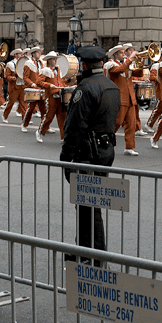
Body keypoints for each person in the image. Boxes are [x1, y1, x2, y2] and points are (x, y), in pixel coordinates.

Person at [59, 46, 120, 266]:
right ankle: (84, 250)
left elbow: (75, 127)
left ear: (84, 65)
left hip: (87, 153)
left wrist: (66, 157)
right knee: (91, 204)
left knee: (88, 206)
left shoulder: (84, 89)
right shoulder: (112, 86)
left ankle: (95, 255)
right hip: (106, 151)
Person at [104, 44, 140, 155]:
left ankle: (129, 147)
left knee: (131, 124)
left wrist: (140, 63)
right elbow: (120, 70)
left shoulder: (126, 64)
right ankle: (104, 141)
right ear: (115, 54)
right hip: (119, 97)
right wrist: (130, 59)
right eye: (121, 53)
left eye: (123, 52)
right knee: (117, 122)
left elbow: (138, 73)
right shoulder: (110, 65)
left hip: (130, 97)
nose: (123, 54)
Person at [35, 51, 67, 142]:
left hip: (60, 96)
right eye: (54, 59)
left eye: (56, 59)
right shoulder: (46, 70)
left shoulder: (59, 70)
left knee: (62, 117)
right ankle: (39, 132)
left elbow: (62, 82)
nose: (56, 61)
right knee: (49, 116)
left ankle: (63, 137)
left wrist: (70, 85)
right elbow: (38, 82)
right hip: (51, 97)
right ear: (49, 60)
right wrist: (49, 85)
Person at [2, 48, 26, 123]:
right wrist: (12, 78)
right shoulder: (10, 64)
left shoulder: (24, 63)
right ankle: (5, 115)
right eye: (19, 53)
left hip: (22, 85)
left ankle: (24, 120)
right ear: (15, 55)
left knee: (23, 104)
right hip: (14, 86)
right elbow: (7, 76)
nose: (21, 55)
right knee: (11, 103)